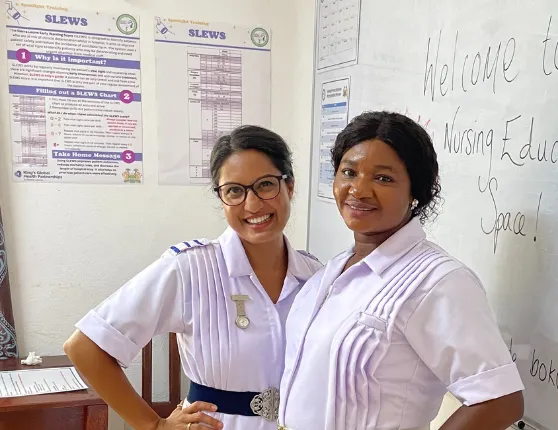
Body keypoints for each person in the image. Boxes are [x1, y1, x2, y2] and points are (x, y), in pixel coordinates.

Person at [63, 126, 323, 430]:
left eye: (265, 185)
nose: (252, 205)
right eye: (234, 191)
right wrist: (153, 425)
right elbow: (85, 346)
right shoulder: (190, 269)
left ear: (289, 186)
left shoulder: (315, 277)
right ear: (222, 198)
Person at [278, 111, 525, 430]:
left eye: (383, 178)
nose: (359, 189)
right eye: (349, 172)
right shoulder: (333, 270)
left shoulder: (438, 281)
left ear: (416, 192)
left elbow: (500, 400)